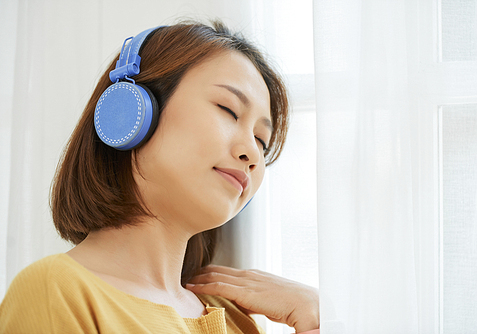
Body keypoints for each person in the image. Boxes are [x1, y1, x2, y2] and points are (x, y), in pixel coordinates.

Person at [0, 21, 319, 333]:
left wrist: (314, 321)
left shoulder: (238, 320)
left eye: (262, 141)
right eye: (228, 109)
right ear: (128, 111)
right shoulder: (54, 290)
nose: (252, 153)